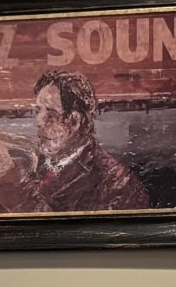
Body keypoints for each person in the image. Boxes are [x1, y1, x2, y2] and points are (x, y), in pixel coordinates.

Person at [15, 70, 146, 213]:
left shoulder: (114, 182)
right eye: (38, 111)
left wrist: (7, 181)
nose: (39, 122)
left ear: (76, 121)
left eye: (51, 114)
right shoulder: (35, 162)